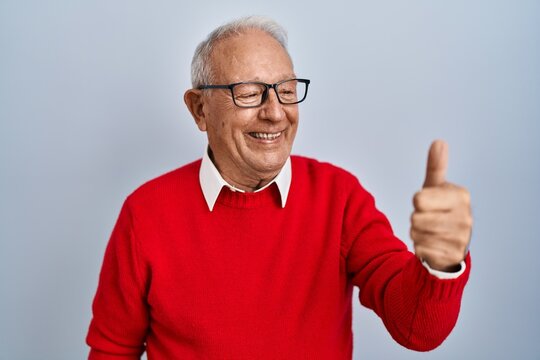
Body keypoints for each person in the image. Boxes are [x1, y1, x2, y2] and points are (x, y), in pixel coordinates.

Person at [86, 16, 472, 359]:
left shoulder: (339, 197)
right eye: (250, 93)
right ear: (200, 110)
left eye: (286, 90)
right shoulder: (146, 213)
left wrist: (440, 267)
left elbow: (418, 330)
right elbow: (112, 351)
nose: (275, 113)